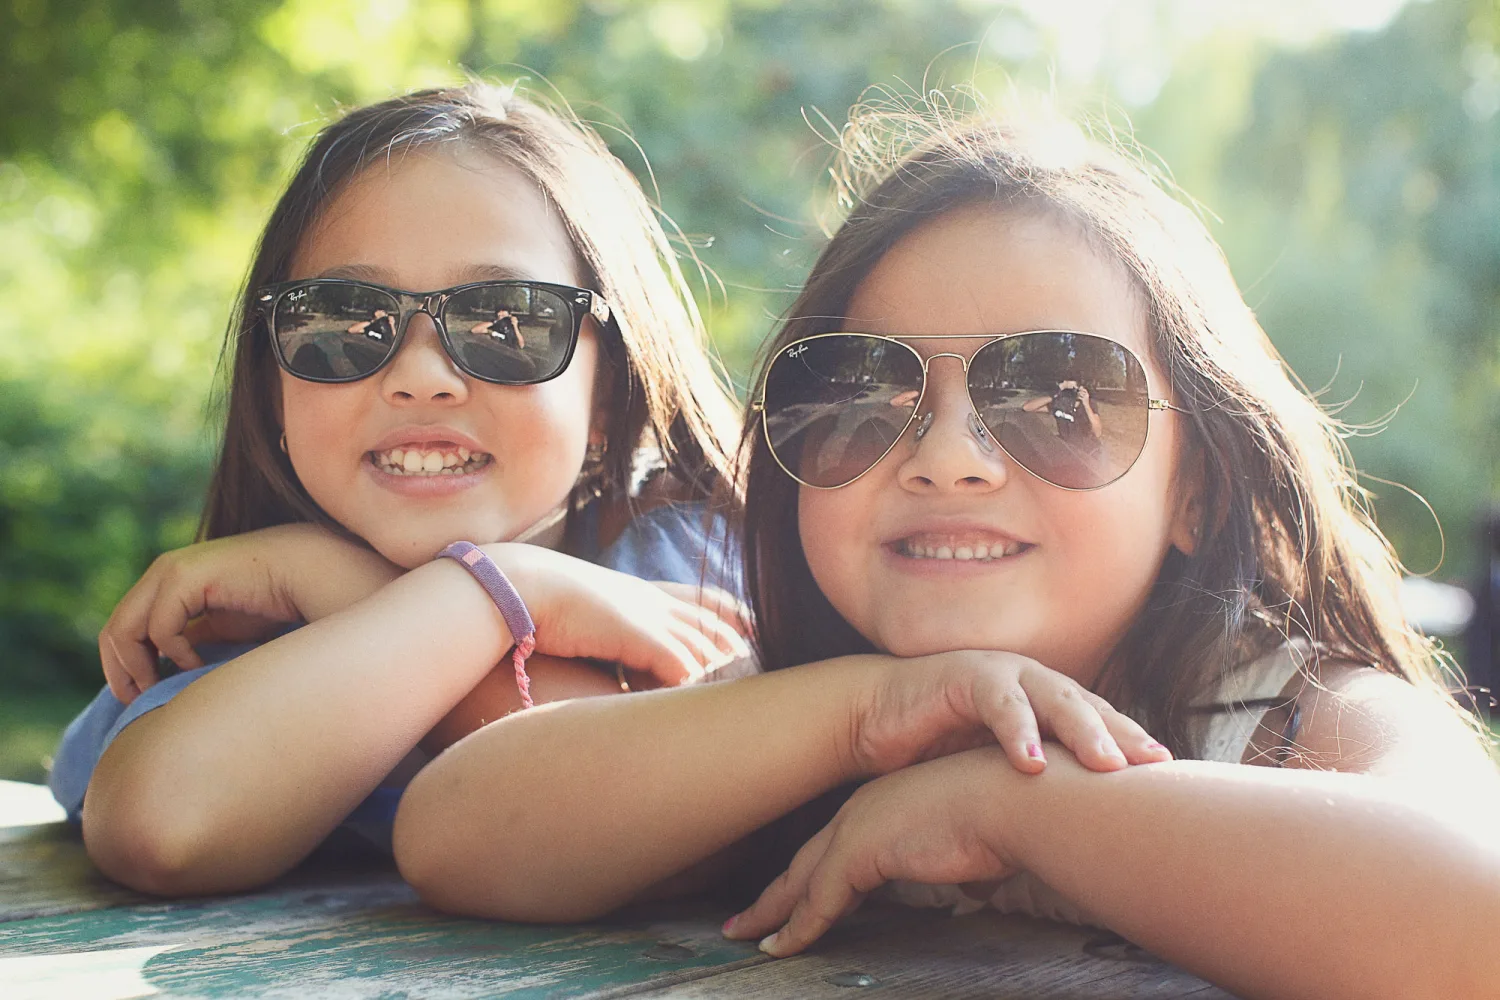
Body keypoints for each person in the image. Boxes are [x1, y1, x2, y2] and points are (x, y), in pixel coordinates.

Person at [391, 104, 1500, 1000]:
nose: (950, 457)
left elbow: (1478, 922)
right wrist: (867, 713)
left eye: (1063, 397)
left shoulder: (1294, 714)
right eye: (865, 394)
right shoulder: (829, 706)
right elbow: (454, 834)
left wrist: (1007, 801)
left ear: (1196, 491)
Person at [49, 81, 750, 896]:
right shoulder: (249, 632)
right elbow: (161, 825)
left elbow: (670, 804)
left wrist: (358, 587)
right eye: (345, 318)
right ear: (271, 384)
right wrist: (494, 595)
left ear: (610, 395)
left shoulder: (695, 563)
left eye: (507, 321)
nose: (421, 378)